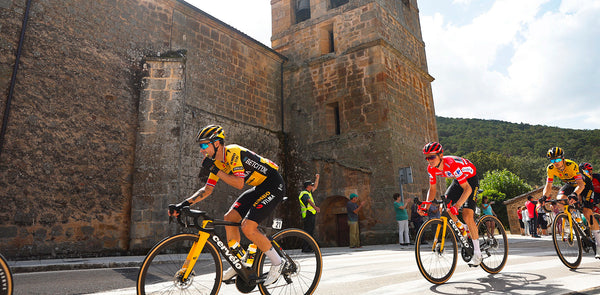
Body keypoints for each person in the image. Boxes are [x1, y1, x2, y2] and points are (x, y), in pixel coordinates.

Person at [169, 125, 287, 285]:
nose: (201, 150)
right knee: (230, 217)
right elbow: (207, 189)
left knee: (248, 227)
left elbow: (239, 184)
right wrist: (183, 204)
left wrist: (215, 170)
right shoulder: (217, 163)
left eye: (204, 145)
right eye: (200, 146)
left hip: (274, 185)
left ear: (216, 143)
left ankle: (278, 262)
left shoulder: (233, 152)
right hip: (259, 188)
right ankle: (240, 261)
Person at [419, 142, 482, 266]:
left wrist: (457, 205)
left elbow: (468, 189)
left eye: (432, 157)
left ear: (440, 155)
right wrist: (426, 207)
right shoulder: (431, 168)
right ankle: (464, 228)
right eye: (427, 158)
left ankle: (478, 253)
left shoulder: (451, 164)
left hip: (470, 180)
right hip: (458, 180)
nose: (429, 160)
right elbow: (432, 189)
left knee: (467, 214)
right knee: (444, 207)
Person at [542, 147, 600, 258]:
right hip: (570, 184)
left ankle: (599, 244)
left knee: (587, 211)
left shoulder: (571, 165)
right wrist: (544, 197)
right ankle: (572, 220)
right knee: (560, 200)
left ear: (563, 159)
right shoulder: (550, 168)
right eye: (552, 161)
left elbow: (581, 185)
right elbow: (548, 186)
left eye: (557, 160)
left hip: (585, 185)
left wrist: (574, 194)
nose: (555, 163)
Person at [299, 174, 320, 252]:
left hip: (310, 214)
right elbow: (309, 201)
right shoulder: (304, 193)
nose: (312, 186)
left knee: (310, 231)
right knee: (307, 232)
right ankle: (305, 248)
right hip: (308, 214)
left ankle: (309, 247)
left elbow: (316, 187)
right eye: (311, 185)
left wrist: (317, 178)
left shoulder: (308, 192)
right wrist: (316, 207)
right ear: (308, 186)